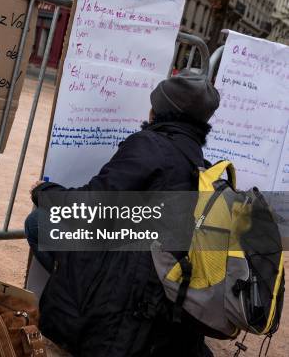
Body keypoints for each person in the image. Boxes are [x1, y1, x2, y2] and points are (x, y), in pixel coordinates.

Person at [26, 71, 221, 357]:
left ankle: (84, 308)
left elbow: (90, 207)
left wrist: (44, 191)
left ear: (161, 110)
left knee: (38, 223)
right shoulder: (199, 160)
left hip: (129, 291)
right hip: (159, 285)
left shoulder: (150, 145)